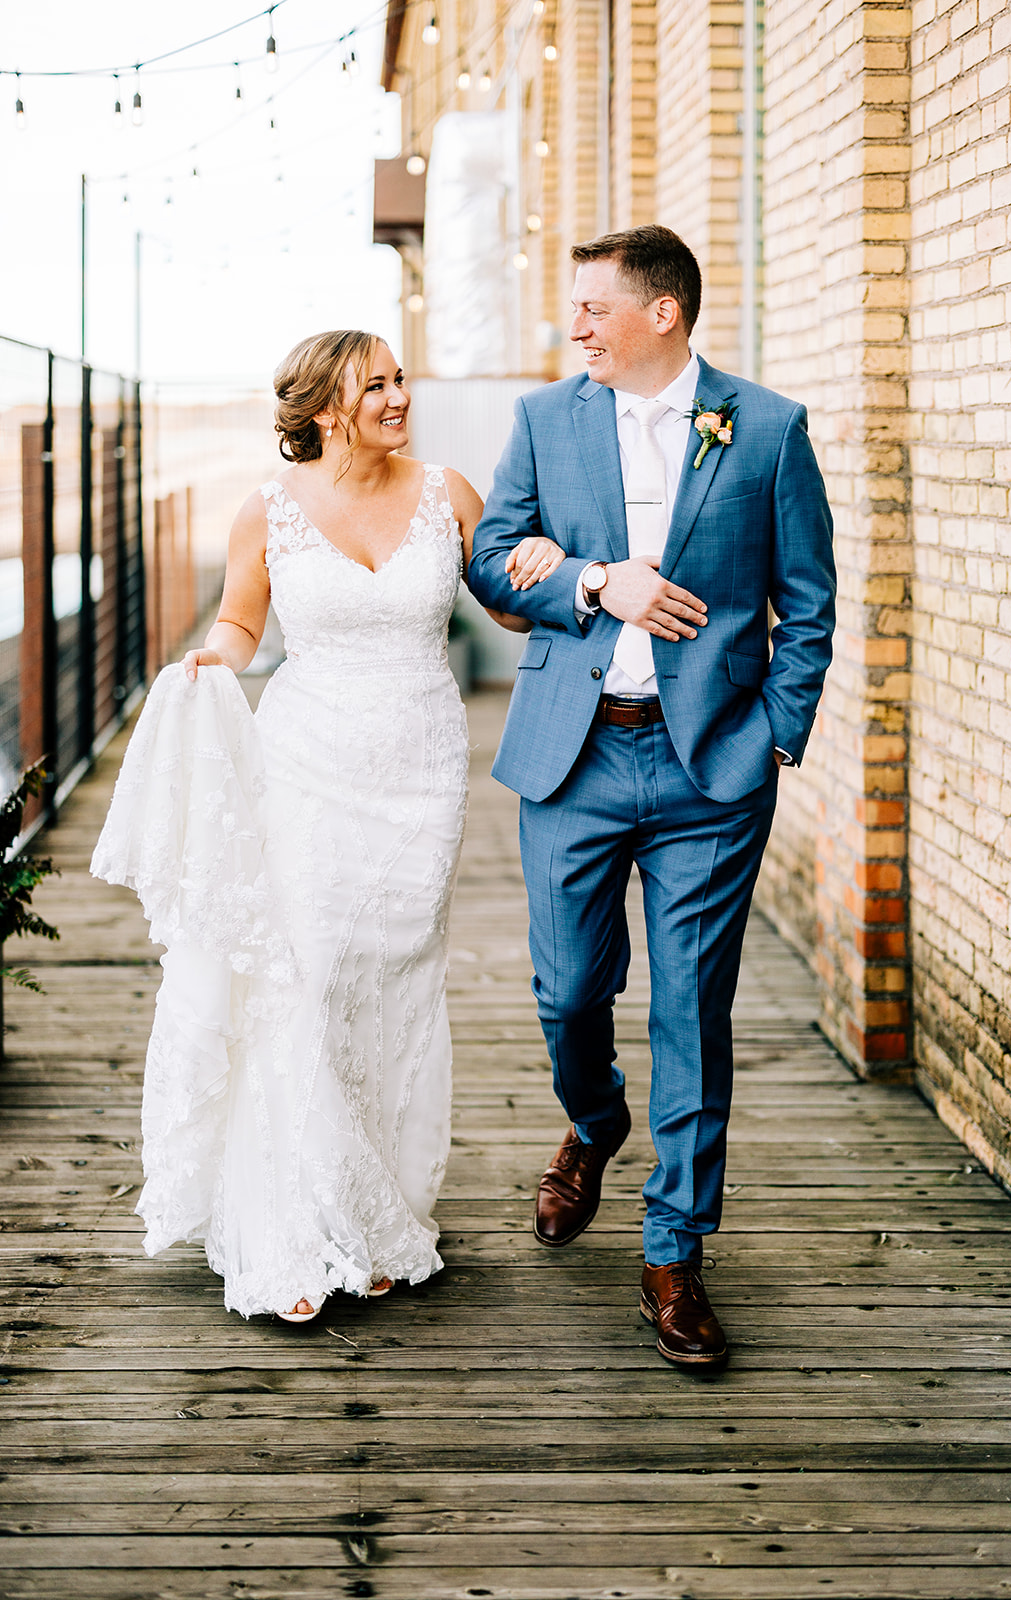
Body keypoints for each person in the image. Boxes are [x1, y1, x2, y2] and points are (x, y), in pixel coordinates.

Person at [92, 330, 563, 1322]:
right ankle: (296, 1224)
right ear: (322, 409)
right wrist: (211, 663)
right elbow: (239, 624)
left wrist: (544, 566)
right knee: (303, 976)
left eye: (400, 379)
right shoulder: (264, 512)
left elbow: (508, 609)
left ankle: (375, 1205)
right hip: (305, 763)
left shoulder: (449, 492)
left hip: (422, 773)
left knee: (387, 982)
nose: (400, 395)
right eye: (376, 385)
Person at [467, 226, 836, 1370]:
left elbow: (806, 601)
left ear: (660, 314)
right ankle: (591, 1119)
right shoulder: (544, 420)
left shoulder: (764, 429)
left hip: (706, 771)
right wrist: (590, 579)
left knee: (689, 1006)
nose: (573, 326)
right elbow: (490, 555)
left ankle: (673, 1248)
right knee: (568, 987)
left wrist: (769, 736)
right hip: (571, 758)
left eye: (591, 307)